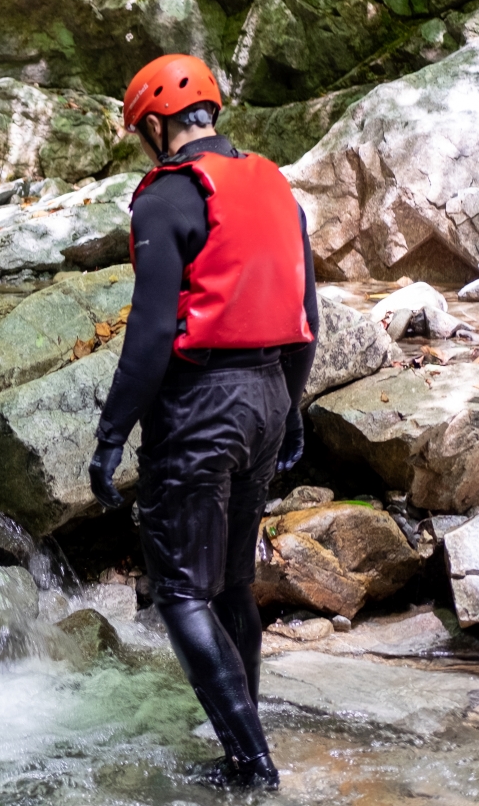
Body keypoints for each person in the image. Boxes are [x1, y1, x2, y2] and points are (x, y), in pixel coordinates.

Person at [89, 54, 318, 791]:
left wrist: (110, 435)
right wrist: (292, 409)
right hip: (268, 397)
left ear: (158, 123)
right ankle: (242, 732)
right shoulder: (277, 184)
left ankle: (252, 764)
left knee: (183, 594)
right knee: (232, 588)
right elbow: (306, 315)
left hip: (199, 407)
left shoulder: (165, 197)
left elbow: (153, 332)